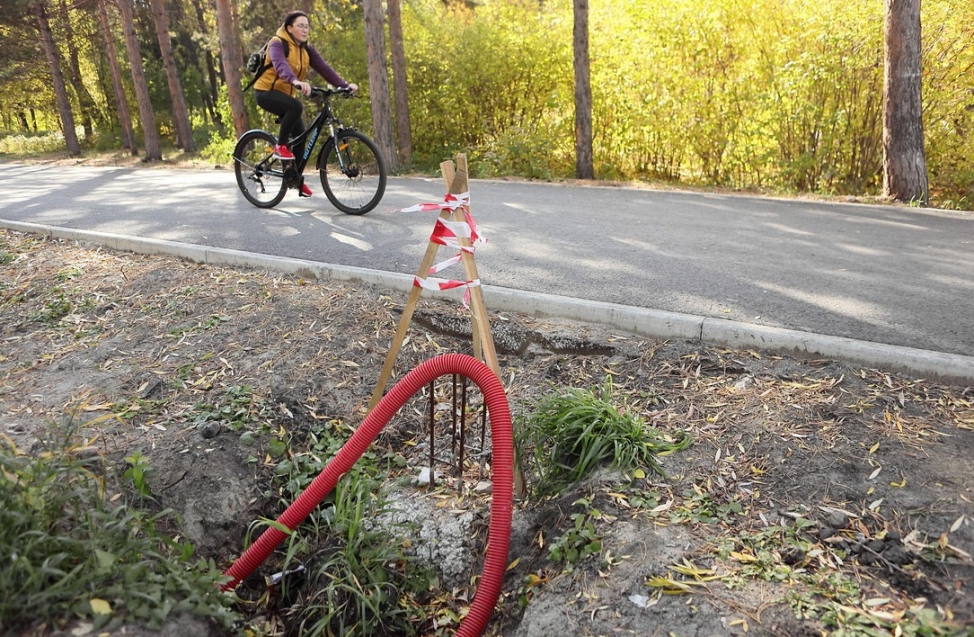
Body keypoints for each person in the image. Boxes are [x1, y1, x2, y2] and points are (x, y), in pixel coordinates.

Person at [253, 10, 358, 197]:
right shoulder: (277, 43)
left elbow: (324, 69)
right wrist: (295, 81)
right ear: (289, 28)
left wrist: (344, 85)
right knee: (296, 106)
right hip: (265, 93)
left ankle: (295, 179)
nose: (305, 29)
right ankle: (280, 146)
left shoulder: (306, 49)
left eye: (307, 26)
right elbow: (280, 65)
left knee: (301, 137)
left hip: (285, 95)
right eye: (300, 25)